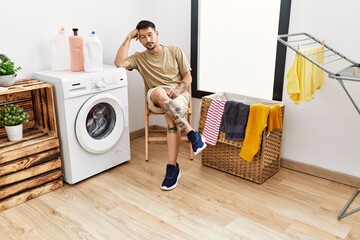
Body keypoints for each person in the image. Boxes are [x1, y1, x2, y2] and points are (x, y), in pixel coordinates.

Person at [114, 20, 207, 191]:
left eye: (150, 34)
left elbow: (188, 78)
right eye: (142, 37)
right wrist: (128, 36)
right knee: (158, 93)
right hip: (155, 97)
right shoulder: (139, 58)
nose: (147, 39)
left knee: (169, 115)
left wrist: (178, 90)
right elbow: (119, 63)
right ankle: (192, 133)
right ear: (139, 40)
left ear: (157, 33)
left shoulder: (174, 51)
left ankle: (172, 168)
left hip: (177, 96)